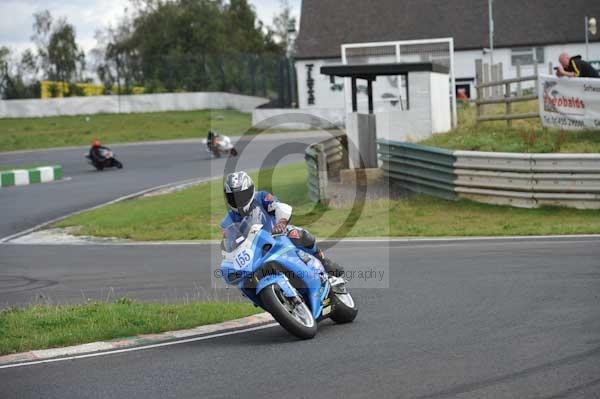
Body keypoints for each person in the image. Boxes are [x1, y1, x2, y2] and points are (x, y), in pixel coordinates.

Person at [220, 171, 344, 277]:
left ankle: (323, 260)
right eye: (233, 197)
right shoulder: (228, 219)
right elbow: (228, 242)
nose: (238, 200)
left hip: (277, 235)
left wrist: (281, 223)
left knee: (299, 235)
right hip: (255, 252)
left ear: (251, 189)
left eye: (241, 195)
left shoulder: (262, 197)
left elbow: (279, 207)